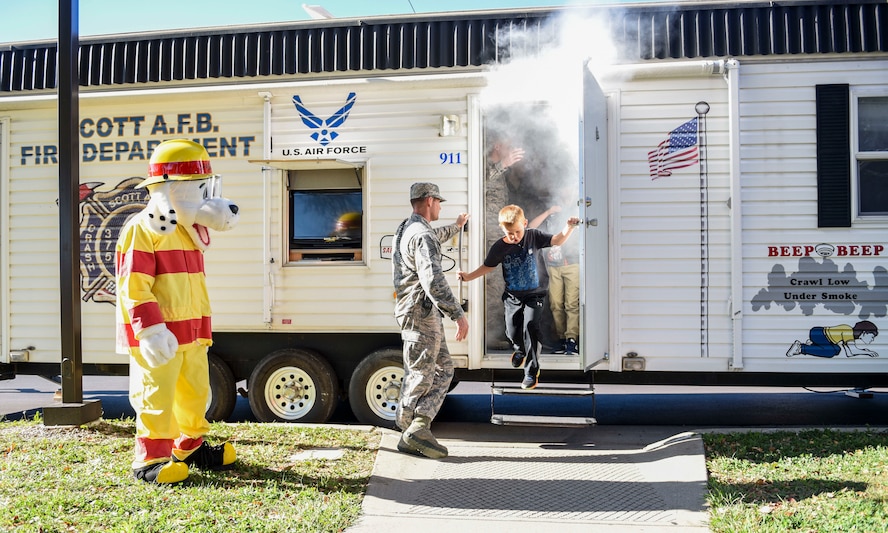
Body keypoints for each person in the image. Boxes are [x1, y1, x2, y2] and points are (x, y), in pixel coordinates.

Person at [116, 139, 240, 484]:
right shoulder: (142, 230)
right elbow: (133, 286)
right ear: (171, 190)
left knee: (195, 393)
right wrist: (151, 329)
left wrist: (201, 328)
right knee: (156, 395)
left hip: (192, 333)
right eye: (199, 189)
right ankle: (150, 459)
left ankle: (189, 446)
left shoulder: (188, 232)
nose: (207, 198)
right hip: (160, 336)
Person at [459, 204, 580, 390]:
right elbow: (488, 266)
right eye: (509, 233)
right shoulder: (500, 247)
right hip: (513, 296)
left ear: (524, 223)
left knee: (531, 327)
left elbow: (557, 240)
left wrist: (569, 227)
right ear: (502, 229)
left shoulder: (533, 236)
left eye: (517, 231)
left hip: (535, 294)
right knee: (512, 331)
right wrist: (468, 277)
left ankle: (531, 372)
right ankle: (518, 349)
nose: (514, 236)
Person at [392, 182, 469, 459]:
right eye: (439, 202)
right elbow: (433, 279)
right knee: (421, 374)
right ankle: (409, 430)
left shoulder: (408, 228)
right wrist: (458, 314)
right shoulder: (420, 234)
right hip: (420, 314)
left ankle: (418, 427)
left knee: (443, 369)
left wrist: (456, 226)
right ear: (428, 201)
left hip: (418, 313)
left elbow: (435, 235)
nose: (440, 206)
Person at [529, 204, 580, 355]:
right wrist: (548, 212)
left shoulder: (575, 213)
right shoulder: (550, 218)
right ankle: (561, 339)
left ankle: (572, 340)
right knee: (556, 304)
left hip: (572, 264)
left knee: (571, 303)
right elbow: (531, 228)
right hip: (553, 266)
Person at [786, 321, 879, 358]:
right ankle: (801, 348)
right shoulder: (848, 331)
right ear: (864, 333)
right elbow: (853, 350)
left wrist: (863, 351)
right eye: (872, 336)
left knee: (837, 350)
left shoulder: (850, 335)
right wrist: (866, 352)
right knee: (830, 352)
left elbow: (849, 354)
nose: (872, 340)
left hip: (821, 335)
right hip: (819, 334)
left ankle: (813, 345)